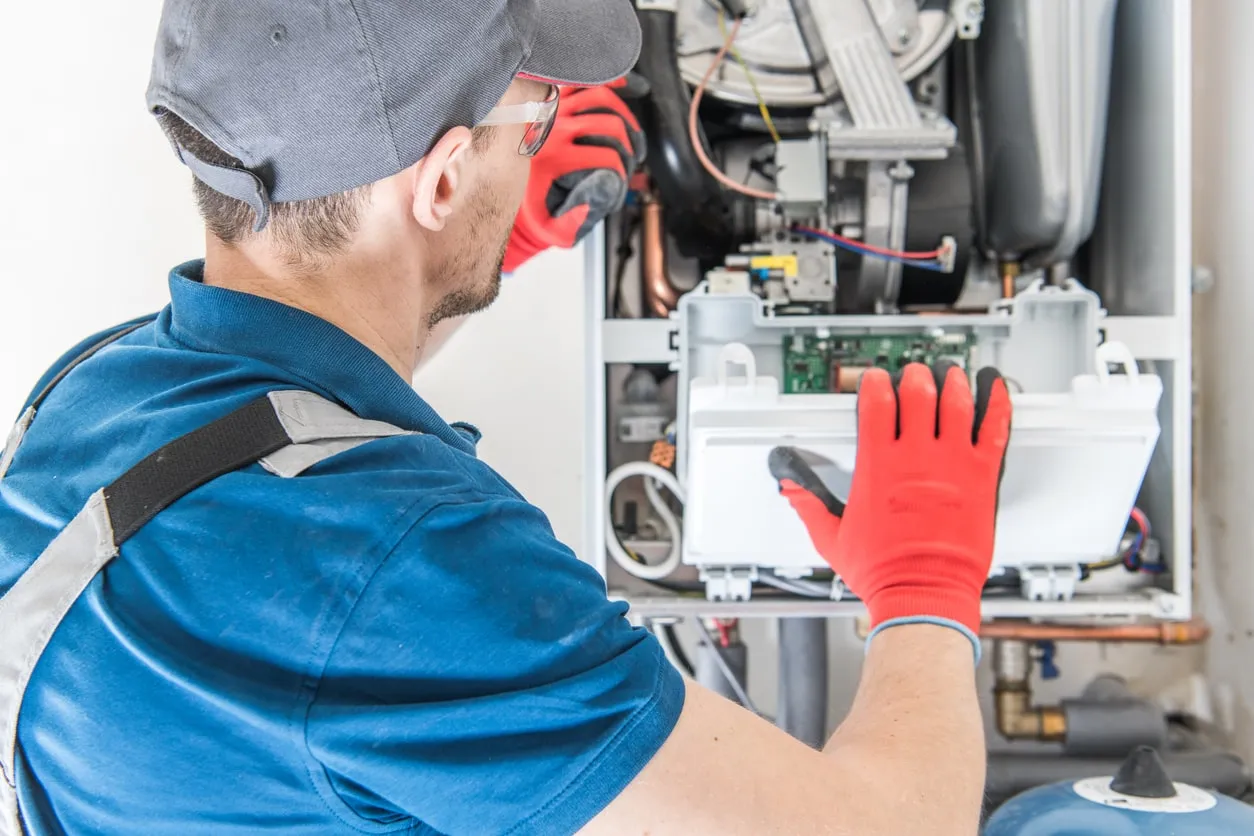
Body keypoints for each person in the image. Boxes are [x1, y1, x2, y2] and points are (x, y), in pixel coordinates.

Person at [0, 1, 1011, 834]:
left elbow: (296, 420)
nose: (541, 148)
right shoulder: (406, 570)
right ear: (440, 181)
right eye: (532, 124)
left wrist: (472, 254)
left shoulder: (95, 391)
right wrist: (926, 587)